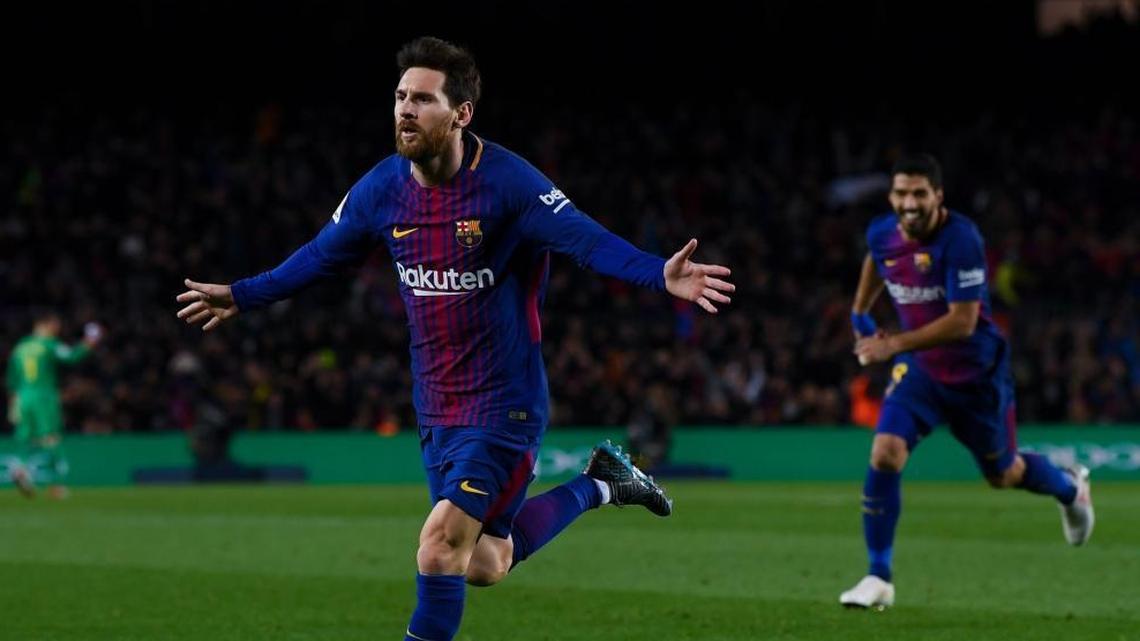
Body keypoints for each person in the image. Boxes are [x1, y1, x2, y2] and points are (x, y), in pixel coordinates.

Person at [176, 36, 734, 640]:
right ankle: (601, 482)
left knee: (440, 546)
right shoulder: (382, 190)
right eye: (399, 97)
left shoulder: (509, 184)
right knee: (484, 564)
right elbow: (321, 256)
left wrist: (658, 272)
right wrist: (244, 293)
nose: (405, 110)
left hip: (504, 404)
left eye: (422, 98)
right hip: (436, 406)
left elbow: (586, 240)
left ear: (461, 113)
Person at [839, 154, 1094, 609]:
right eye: (902, 193)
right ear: (891, 197)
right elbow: (876, 262)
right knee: (885, 452)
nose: (910, 203)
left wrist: (893, 344)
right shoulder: (881, 232)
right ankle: (878, 576)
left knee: (1004, 474)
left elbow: (962, 322)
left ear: (938, 196)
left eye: (920, 193)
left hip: (977, 378)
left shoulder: (961, 239)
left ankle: (1071, 488)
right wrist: (860, 312)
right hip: (921, 372)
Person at [6, 313, 103, 499]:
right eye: (55, 326)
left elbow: (11, 379)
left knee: (27, 437)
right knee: (51, 438)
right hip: (44, 396)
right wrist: (90, 341)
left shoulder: (20, 347)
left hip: (22, 397)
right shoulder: (48, 344)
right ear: (45, 325)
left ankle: (21, 469)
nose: (56, 331)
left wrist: (13, 401)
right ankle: (56, 485)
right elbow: (71, 356)